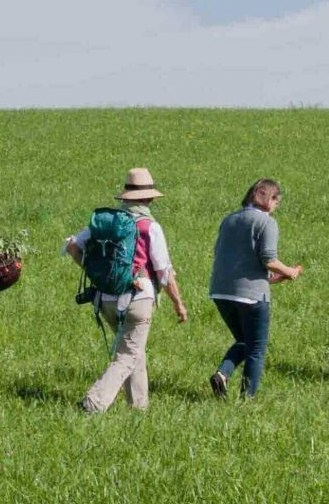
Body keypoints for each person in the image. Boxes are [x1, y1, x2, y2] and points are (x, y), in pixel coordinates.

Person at [64, 167, 187, 413]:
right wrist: (178, 304)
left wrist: (94, 273)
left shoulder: (105, 222)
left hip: (105, 299)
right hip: (138, 299)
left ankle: (138, 408)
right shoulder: (149, 227)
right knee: (127, 355)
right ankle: (95, 402)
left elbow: (72, 246)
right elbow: (164, 271)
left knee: (133, 350)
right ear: (149, 198)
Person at [208, 178, 302, 398]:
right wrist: (290, 272)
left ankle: (222, 374)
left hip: (220, 291)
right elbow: (268, 259)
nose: (277, 206)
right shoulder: (266, 222)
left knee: (243, 340)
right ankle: (247, 400)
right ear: (269, 198)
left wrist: (270, 279)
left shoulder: (229, 219)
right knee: (256, 349)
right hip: (251, 296)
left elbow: (230, 257)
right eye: (277, 200)